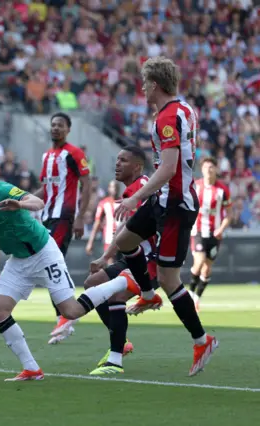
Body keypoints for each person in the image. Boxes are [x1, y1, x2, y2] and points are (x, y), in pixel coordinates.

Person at [0, 157, 140, 381]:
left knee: (71, 311)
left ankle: (123, 282)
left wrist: (19, 205)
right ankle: (32, 369)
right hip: (19, 260)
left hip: (42, 253)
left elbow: (36, 202)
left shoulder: (1, 189)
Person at [113, 56, 217, 376]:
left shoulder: (168, 117)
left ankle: (202, 339)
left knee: (170, 279)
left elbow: (169, 167)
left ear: (155, 85)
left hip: (175, 204)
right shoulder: (184, 109)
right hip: (163, 200)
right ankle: (147, 294)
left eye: (145, 83)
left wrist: (135, 198)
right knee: (124, 240)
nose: (142, 88)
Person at [84, 146, 158, 375]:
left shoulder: (142, 189)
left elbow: (132, 229)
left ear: (137, 166)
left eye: (123, 161)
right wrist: (105, 257)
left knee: (116, 296)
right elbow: (128, 231)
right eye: (117, 160)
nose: (117, 164)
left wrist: (106, 256)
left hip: (151, 260)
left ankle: (115, 361)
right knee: (91, 283)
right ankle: (121, 341)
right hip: (133, 257)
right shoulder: (132, 191)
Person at [34, 112, 91, 344]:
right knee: (50, 267)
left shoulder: (74, 154)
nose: (55, 128)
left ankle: (66, 316)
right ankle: (64, 317)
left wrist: (80, 217)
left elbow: (87, 186)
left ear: (68, 129)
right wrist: (21, 201)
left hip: (65, 216)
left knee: (51, 263)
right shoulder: (47, 156)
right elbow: (45, 190)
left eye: (60, 125)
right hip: (47, 217)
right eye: (53, 125)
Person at [188, 157, 231, 311]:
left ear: (215, 169)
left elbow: (229, 214)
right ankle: (190, 294)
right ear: (202, 169)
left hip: (215, 233)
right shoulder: (196, 186)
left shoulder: (222, 190)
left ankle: (197, 298)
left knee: (207, 269)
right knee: (198, 262)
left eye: (211, 167)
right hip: (198, 231)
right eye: (206, 167)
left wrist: (221, 229)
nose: (208, 170)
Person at [86, 180, 118, 263]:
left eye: (116, 186)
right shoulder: (104, 203)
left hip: (123, 239)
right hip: (109, 239)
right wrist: (90, 242)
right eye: (112, 186)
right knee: (111, 264)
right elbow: (97, 223)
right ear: (108, 189)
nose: (114, 189)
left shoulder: (124, 202)